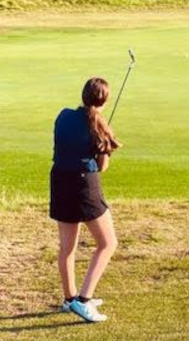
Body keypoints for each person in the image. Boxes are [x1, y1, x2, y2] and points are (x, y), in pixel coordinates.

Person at [51, 77, 121, 323]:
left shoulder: (63, 115)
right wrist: (105, 145)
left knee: (67, 247)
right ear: (105, 101)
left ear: (83, 95)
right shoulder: (99, 127)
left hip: (59, 180)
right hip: (83, 185)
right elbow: (102, 167)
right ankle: (83, 300)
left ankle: (69, 299)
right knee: (108, 243)